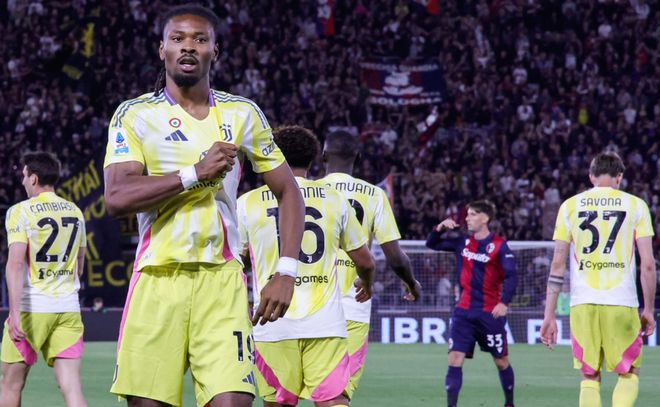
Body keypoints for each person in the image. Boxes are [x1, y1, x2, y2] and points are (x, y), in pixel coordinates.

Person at [103, 5, 305, 407]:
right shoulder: (136, 114)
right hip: (157, 278)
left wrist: (286, 271)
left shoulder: (242, 113)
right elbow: (117, 197)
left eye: (199, 39)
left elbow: (289, 192)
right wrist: (194, 173)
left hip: (222, 280)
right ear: (162, 49)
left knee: (234, 400)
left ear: (216, 50)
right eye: (177, 38)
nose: (188, 46)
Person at [237, 125, 375, 407]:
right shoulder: (334, 199)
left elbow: (236, 263)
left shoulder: (247, 203)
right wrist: (367, 281)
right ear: (313, 160)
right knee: (333, 400)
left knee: (278, 402)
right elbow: (365, 261)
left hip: (271, 321)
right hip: (325, 324)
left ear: (271, 155)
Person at [541, 152, 656, 407]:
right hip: (621, 301)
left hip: (582, 303)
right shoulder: (636, 205)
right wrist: (648, 309)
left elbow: (557, 264)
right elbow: (648, 265)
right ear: (619, 177)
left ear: (591, 176)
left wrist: (549, 315)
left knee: (589, 375)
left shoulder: (569, 206)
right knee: (629, 371)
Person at [320, 130, 421, 398]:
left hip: (308, 300)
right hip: (353, 302)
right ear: (357, 157)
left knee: (285, 395)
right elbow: (395, 256)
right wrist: (411, 283)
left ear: (324, 156)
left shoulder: (306, 191)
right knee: (338, 393)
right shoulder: (374, 195)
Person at [1, 151, 87, 407]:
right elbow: (80, 265)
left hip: (32, 310)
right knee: (71, 387)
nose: (22, 181)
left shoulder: (20, 211)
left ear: (34, 178)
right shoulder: (75, 211)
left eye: (24, 176)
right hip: (68, 309)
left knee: (11, 385)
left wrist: (14, 313)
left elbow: (16, 264)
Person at [426, 201, 517, 407]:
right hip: (463, 313)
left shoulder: (499, 246)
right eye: (467, 214)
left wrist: (504, 303)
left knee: (501, 361)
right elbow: (432, 244)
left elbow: (512, 276)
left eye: (473, 214)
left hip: (489, 314)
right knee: (454, 359)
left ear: (485, 218)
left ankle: (509, 403)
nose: (467, 218)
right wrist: (440, 228)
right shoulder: (462, 242)